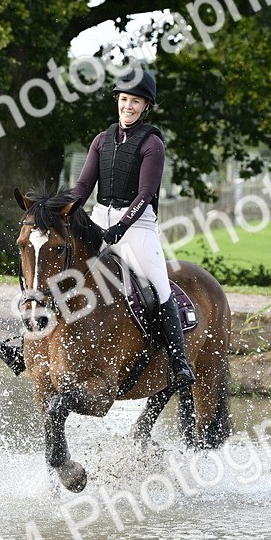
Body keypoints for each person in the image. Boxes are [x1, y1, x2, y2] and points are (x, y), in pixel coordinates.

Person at [69, 68, 195, 390]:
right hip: (99, 218)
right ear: (118, 100)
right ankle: (31, 342)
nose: (128, 106)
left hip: (137, 225)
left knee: (159, 285)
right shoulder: (102, 140)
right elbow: (84, 184)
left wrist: (122, 227)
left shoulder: (152, 143)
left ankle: (179, 363)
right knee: (65, 270)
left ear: (145, 106)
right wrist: (65, 210)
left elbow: (146, 194)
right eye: (124, 99)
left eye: (135, 101)